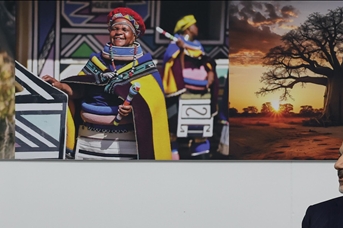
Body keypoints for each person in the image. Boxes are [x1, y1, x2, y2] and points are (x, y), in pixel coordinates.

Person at [42, 7, 170, 160]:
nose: (119, 32)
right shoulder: (96, 62)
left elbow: (152, 106)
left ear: (134, 35)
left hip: (125, 145)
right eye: (115, 28)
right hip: (87, 142)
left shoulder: (145, 68)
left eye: (125, 29)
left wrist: (133, 109)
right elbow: (80, 90)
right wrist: (61, 86)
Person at [160, 15, 219, 159]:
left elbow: (205, 59)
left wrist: (210, 71)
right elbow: (170, 60)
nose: (197, 28)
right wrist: (181, 49)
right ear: (187, 28)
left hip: (201, 90)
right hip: (180, 89)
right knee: (174, 125)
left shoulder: (197, 44)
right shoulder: (176, 42)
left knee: (199, 128)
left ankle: (200, 153)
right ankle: (173, 154)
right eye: (195, 25)